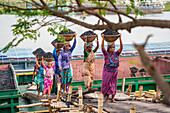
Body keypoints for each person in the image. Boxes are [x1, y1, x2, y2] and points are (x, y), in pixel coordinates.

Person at [101, 34, 123, 103]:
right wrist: (103, 39)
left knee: (113, 84)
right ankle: (106, 98)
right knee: (106, 84)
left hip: (114, 72)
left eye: (113, 47)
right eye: (111, 48)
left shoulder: (116, 54)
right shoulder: (106, 54)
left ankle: (112, 98)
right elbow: (102, 48)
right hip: (107, 72)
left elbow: (121, 48)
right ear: (108, 48)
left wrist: (120, 39)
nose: (112, 49)